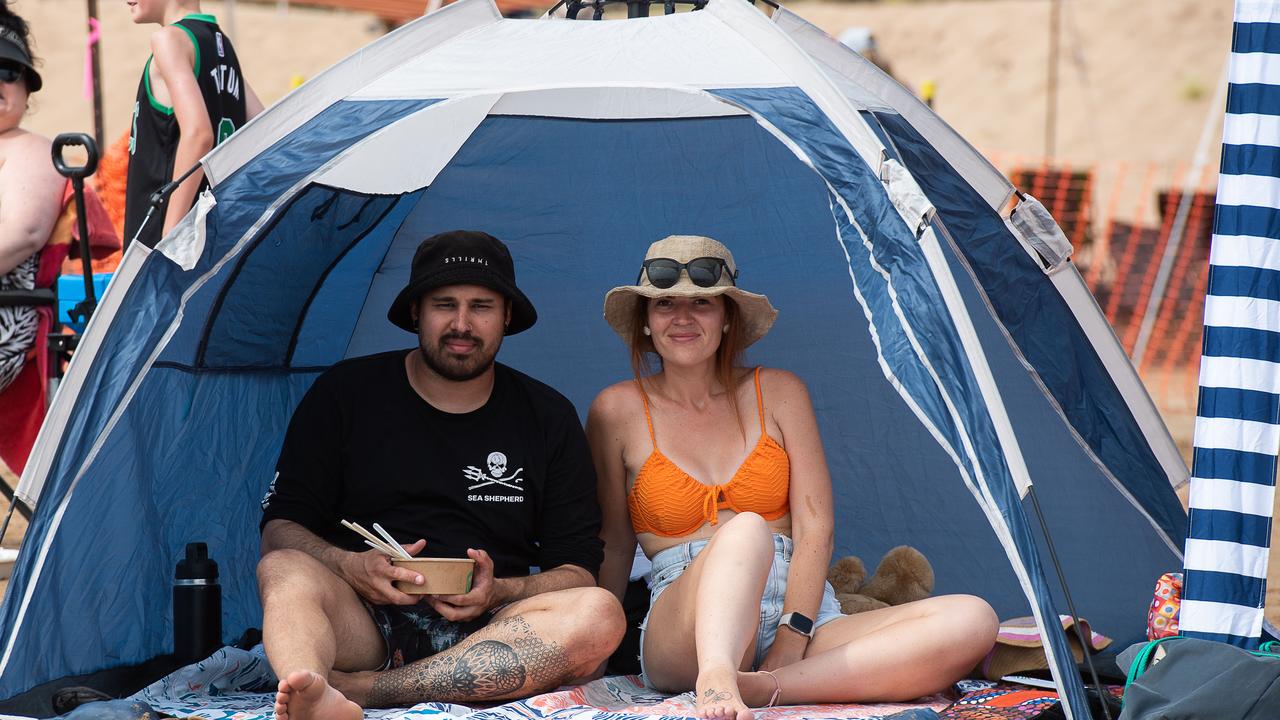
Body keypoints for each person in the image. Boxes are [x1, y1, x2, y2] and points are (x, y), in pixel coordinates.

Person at [587, 236, 998, 720]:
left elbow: (815, 525)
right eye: (664, 305)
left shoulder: (779, 391)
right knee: (746, 530)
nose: (682, 317)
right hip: (686, 623)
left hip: (801, 612)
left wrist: (793, 632)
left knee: (972, 618)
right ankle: (717, 677)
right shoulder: (615, 410)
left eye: (702, 302)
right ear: (646, 322)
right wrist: (595, 656)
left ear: (727, 318)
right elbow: (614, 544)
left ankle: (769, 688)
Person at [258, 230, 626, 720]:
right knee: (282, 568)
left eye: (481, 306)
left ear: (507, 316)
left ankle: (361, 693)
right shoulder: (344, 394)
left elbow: (578, 570)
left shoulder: (547, 416)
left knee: (600, 612)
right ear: (416, 311)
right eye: (443, 304)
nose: (461, 324)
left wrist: (501, 591)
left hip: (494, 628)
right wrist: (349, 566)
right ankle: (308, 693)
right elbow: (280, 529)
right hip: (363, 618)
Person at [123, 0, 264, 248]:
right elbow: (264, 128)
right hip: (210, 235)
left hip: (164, 234)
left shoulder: (169, 40)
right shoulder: (221, 44)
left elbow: (199, 134)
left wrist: (171, 232)